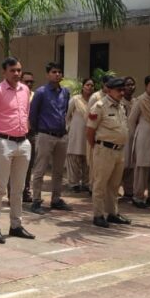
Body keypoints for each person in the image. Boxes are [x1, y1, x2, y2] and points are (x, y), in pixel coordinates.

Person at [0, 57, 34, 243]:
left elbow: (26, 114)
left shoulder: (25, 90)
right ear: (4, 72)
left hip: (23, 143)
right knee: (0, 187)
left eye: (19, 70)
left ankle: (16, 225)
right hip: (4, 142)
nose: (17, 73)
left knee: (19, 188)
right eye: (13, 70)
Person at [28, 62, 73, 214]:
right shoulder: (41, 92)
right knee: (40, 169)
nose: (57, 74)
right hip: (45, 135)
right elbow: (33, 115)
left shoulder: (65, 92)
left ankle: (56, 199)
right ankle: (36, 201)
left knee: (59, 171)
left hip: (61, 136)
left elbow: (65, 111)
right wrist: (38, 131)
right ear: (48, 74)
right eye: (54, 72)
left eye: (59, 72)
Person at [87, 77, 131, 228]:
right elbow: (90, 131)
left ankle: (112, 213)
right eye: (119, 90)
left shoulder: (121, 107)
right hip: (104, 150)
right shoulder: (99, 106)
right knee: (100, 183)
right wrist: (97, 147)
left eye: (123, 90)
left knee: (114, 185)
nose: (122, 92)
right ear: (109, 90)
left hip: (119, 151)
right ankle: (98, 215)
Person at [128, 76, 150, 207]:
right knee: (142, 168)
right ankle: (138, 197)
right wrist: (135, 135)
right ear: (146, 86)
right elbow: (131, 121)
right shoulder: (140, 100)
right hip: (143, 137)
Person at [66, 77, 95, 193]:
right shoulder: (75, 99)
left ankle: (86, 183)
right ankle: (73, 183)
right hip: (76, 132)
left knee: (87, 158)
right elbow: (67, 115)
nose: (90, 87)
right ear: (83, 86)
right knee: (74, 157)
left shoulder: (95, 101)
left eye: (92, 85)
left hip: (89, 133)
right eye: (87, 85)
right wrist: (69, 127)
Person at [21, 71, 37, 203]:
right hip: (17, 134)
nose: (29, 84)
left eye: (31, 82)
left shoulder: (35, 96)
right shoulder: (16, 94)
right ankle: (13, 193)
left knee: (29, 164)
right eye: (26, 81)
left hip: (31, 133)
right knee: (15, 164)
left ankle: (26, 192)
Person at [121, 76, 137, 200]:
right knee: (122, 165)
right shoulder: (119, 102)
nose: (130, 87)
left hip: (134, 136)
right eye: (128, 85)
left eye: (132, 84)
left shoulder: (137, 102)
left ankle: (129, 191)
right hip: (122, 137)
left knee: (132, 165)